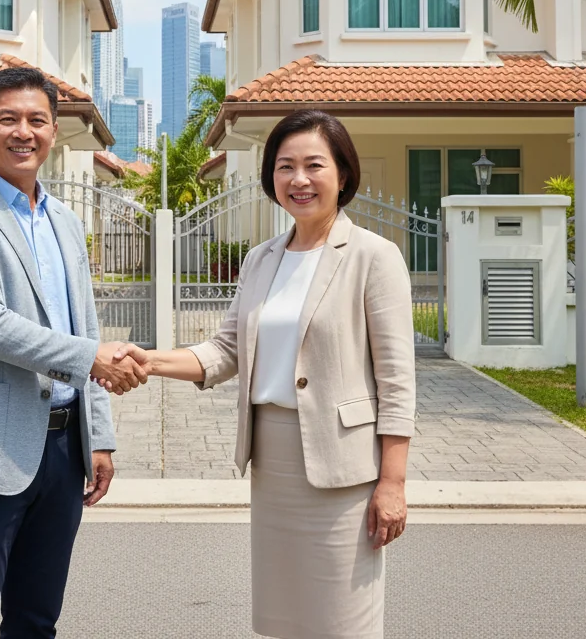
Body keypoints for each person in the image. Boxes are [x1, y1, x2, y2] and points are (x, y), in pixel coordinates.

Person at [104, 110, 416, 639]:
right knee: (284, 617)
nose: (298, 179)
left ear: (342, 173)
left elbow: (397, 381)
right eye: (284, 166)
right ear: (271, 177)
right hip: (274, 461)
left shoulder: (374, 257)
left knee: (343, 620)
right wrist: (150, 360)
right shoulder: (261, 260)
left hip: (343, 467)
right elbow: (226, 351)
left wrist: (393, 482)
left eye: (314, 165)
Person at [0, 66, 147, 639]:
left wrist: (99, 438)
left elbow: (83, 321)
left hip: (64, 451)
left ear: (53, 131)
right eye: (9, 119)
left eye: (37, 120)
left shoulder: (66, 221)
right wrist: (91, 356)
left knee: (36, 619)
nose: (23, 132)